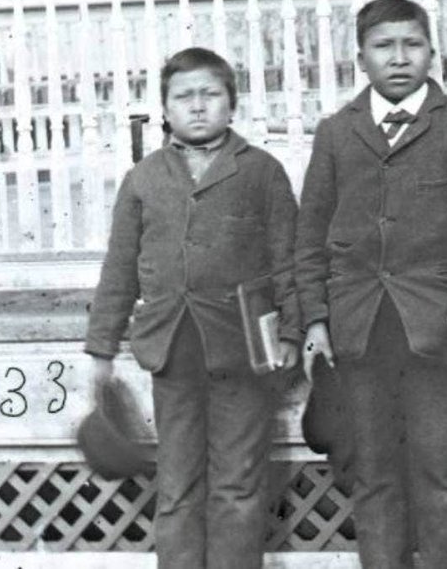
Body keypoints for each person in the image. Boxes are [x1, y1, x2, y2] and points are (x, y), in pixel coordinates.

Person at [294, 0, 447, 569]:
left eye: (412, 45)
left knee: (445, 476)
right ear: (361, 58)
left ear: (433, 53)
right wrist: (315, 320)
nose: (399, 57)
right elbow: (310, 235)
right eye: (384, 46)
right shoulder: (337, 132)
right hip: (358, 331)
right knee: (374, 476)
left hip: (439, 330)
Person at [84, 47, 301, 569]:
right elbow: (119, 269)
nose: (198, 106)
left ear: (232, 103)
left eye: (211, 94)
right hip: (172, 351)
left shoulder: (262, 172)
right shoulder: (143, 179)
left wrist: (295, 333)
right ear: (165, 109)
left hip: (242, 352)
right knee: (177, 484)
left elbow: (290, 261)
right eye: (184, 97)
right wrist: (101, 349)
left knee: (238, 485)